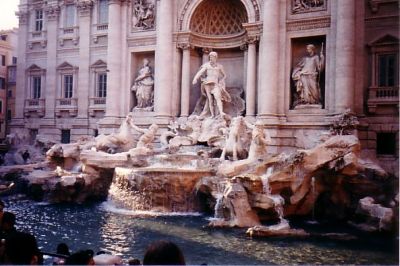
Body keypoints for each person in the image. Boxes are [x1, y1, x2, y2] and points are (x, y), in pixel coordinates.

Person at [192, 51, 231, 118]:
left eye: (212, 57)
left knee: (218, 98)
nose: (210, 58)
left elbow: (224, 75)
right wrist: (195, 79)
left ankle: (221, 112)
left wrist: (222, 80)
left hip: (215, 84)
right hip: (207, 84)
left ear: (215, 57)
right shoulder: (206, 65)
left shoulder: (219, 66)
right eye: (210, 57)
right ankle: (212, 115)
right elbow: (200, 72)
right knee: (210, 100)